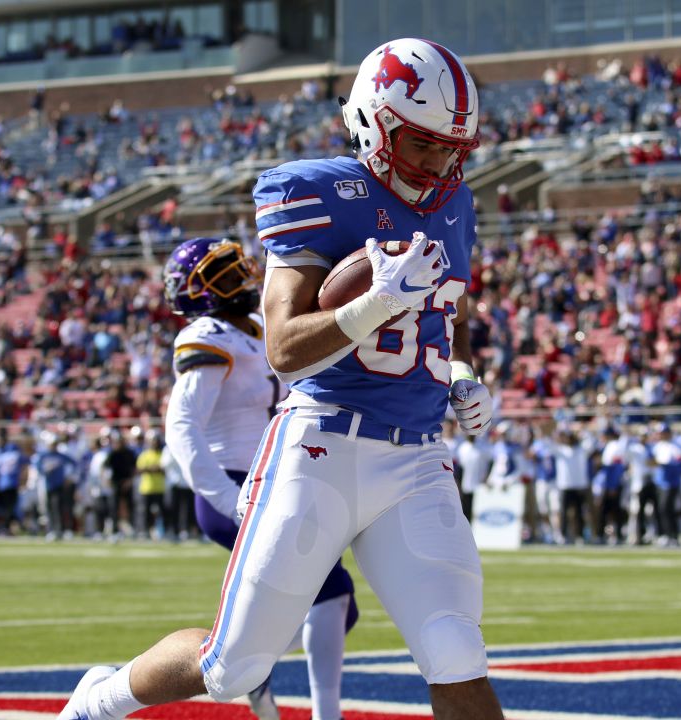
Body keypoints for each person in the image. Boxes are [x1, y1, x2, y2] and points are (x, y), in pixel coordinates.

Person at [58, 38, 503, 720]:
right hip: (321, 447)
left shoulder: (456, 204)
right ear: (375, 125)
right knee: (233, 667)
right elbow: (286, 349)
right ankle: (97, 704)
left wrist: (463, 373)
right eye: (424, 146)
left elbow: (454, 313)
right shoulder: (315, 190)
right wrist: (375, 303)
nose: (441, 164)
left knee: (456, 653)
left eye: (453, 150)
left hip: (416, 457)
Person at [161, 236, 359, 719]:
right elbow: (181, 426)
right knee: (331, 591)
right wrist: (225, 495)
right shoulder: (208, 335)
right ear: (199, 292)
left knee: (337, 606)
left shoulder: (254, 326)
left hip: (274, 481)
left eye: (239, 270)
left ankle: (253, 668)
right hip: (234, 484)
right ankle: (323, 713)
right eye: (226, 276)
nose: (243, 280)